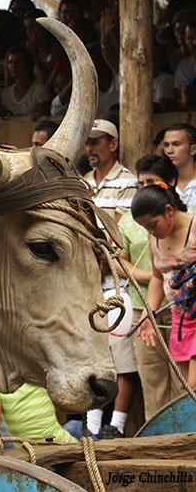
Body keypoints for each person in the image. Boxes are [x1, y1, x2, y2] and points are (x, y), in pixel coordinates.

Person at [114, 155, 181, 420]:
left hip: (182, 313)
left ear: (170, 183)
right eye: (140, 183)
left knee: (183, 380)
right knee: (152, 379)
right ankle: (159, 441)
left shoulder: (189, 222)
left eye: (151, 181)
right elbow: (118, 258)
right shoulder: (134, 220)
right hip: (145, 308)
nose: (145, 187)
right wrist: (148, 280)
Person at [83, 119, 138, 439]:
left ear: (113, 144)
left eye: (96, 141)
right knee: (91, 356)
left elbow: (117, 237)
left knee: (123, 359)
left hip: (117, 283)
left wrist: (99, 258)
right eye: (88, 142)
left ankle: (115, 428)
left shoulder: (128, 181)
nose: (90, 148)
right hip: (87, 283)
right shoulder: (83, 181)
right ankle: (90, 429)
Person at [135, 184, 196, 389]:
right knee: (186, 392)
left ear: (169, 211)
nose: (151, 231)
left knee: (194, 386)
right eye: (145, 228)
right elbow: (157, 278)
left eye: (153, 224)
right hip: (179, 320)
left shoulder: (194, 228)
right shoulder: (154, 239)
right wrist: (148, 314)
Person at [0, 383, 77, 444]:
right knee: (75, 425)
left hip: (24, 448)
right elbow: (62, 418)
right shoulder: (43, 382)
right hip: (60, 441)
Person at [0, 45, 51, 118]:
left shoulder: (40, 90)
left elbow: (43, 118)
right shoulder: (6, 93)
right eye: (10, 62)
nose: (13, 66)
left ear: (28, 64)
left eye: (18, 62)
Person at [162, 123, 196, 208]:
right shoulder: (160, 180)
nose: (169, 151)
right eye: (166, 145)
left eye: (176, 144)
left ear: (193, 149)